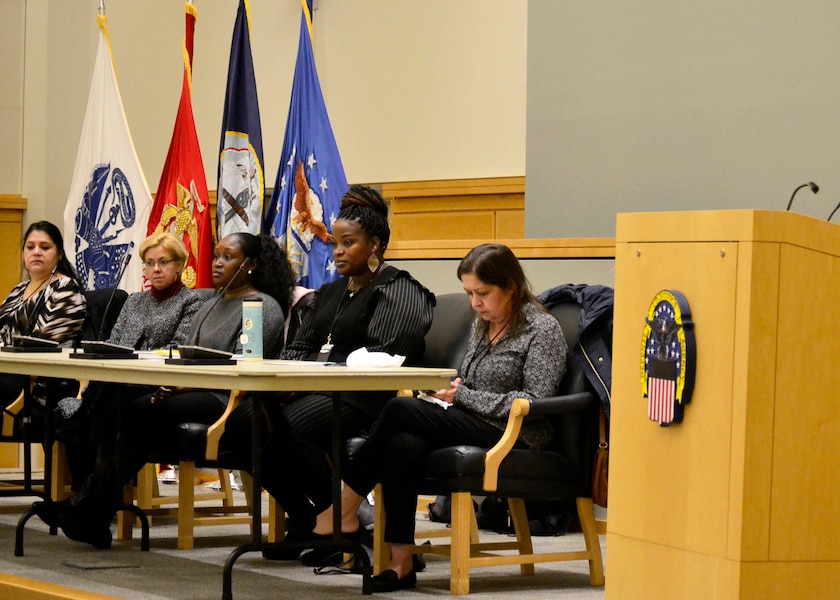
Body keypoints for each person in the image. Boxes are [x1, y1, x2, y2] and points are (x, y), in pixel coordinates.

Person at [309, 243, 567, 592]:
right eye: (469, 293)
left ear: (511, 286)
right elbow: (469, 381)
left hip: (516, 432)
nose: (475, 303)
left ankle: (345, 507)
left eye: (483, 293)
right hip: (472, 419)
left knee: (399, 409)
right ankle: (401, 563)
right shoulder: (483, 324)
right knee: (403, 443)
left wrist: (463, 395)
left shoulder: (543, 328)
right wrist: (450, 391)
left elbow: (535, 399)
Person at [44, 232, 294, 549]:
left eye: (228, 257)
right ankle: (90, 508)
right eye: (216, 255)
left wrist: (180, 386)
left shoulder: (261, 306)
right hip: (191, 389)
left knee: (137, 411)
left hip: (226, 399)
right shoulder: (212, 304)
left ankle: (87, 506)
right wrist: (173, 384)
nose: (217, 263)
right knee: (122, 406)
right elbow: (186, 355)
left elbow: (242, 370)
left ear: (251, 265)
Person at [233, 184, 435, 560]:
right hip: (313, 390)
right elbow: (297, 347)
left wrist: (308, 380)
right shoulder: (328, 293)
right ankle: (313, 520)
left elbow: (384, 357)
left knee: (281, 429)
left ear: (374, 245)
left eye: (348, 243)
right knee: (240, 425)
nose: (338, 251)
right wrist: (290, 379)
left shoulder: (401, 290)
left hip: (364, 399)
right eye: (335, 243)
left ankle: (337, 521)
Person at [56, 231, 205, 488]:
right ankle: (90, 491)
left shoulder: (191, 301)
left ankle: (88, 491)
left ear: (180, 265)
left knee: (92, 406)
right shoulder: (134, 301)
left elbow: (177, 350)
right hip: (120, 382)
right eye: (149, 263)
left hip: (157, 383)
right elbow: (114, 344)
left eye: (164, 262)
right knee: (91, 403)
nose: (155, 269)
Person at [0, 221, 86, 403]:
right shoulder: (19, 289)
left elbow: (41, 344)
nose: (36, 252)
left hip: (39, 380)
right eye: (30, 247)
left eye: (45, 247)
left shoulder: (66, 288)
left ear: (60, 254)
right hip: (6, 370)